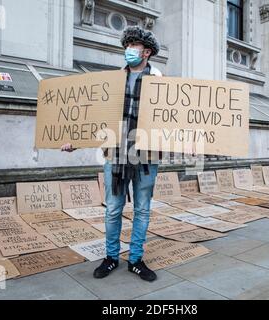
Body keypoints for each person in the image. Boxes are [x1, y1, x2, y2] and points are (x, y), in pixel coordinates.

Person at [61, 26, 162, 282]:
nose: (128, 49)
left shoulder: (161, 82)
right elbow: (95, 117)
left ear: (146, 51)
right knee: (113, 209)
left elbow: (172, 121)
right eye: (127, 45)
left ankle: (136, 260)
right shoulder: (112, 81)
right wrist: (77, 139)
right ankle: (111, 257)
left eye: (134, 45)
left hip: (146, 157)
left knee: (142, 210)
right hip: (115, 155)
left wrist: (190, 141)